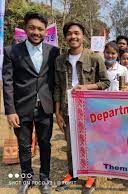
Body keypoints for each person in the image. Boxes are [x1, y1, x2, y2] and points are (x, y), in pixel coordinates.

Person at [2, 12, 59, 194]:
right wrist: (10, 110)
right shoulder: (12, 51)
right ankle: (27, 179)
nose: (36, 32)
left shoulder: (54, 52)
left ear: (45, 31)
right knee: (24, 146)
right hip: (21, 108)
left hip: (45, 107)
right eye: (32, 28)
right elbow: (8, 82)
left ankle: (45, 179)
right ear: (26, 28)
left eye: (40, 29)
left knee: (45, 144)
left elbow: (56, 81)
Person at [54, 21, 110, 194]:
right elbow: (57, 86)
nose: (73, 36)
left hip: (89, 108)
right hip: (67, 107)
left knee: (90, 142)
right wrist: (57, 113)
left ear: (83, 36)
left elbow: (105, 82)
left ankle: (91, 176)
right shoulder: (60, 60)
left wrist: (87, 87)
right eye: (69, 33)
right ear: (65, 38)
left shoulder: (94, 58)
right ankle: (73, 173)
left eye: (77, 33)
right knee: (71, 143)